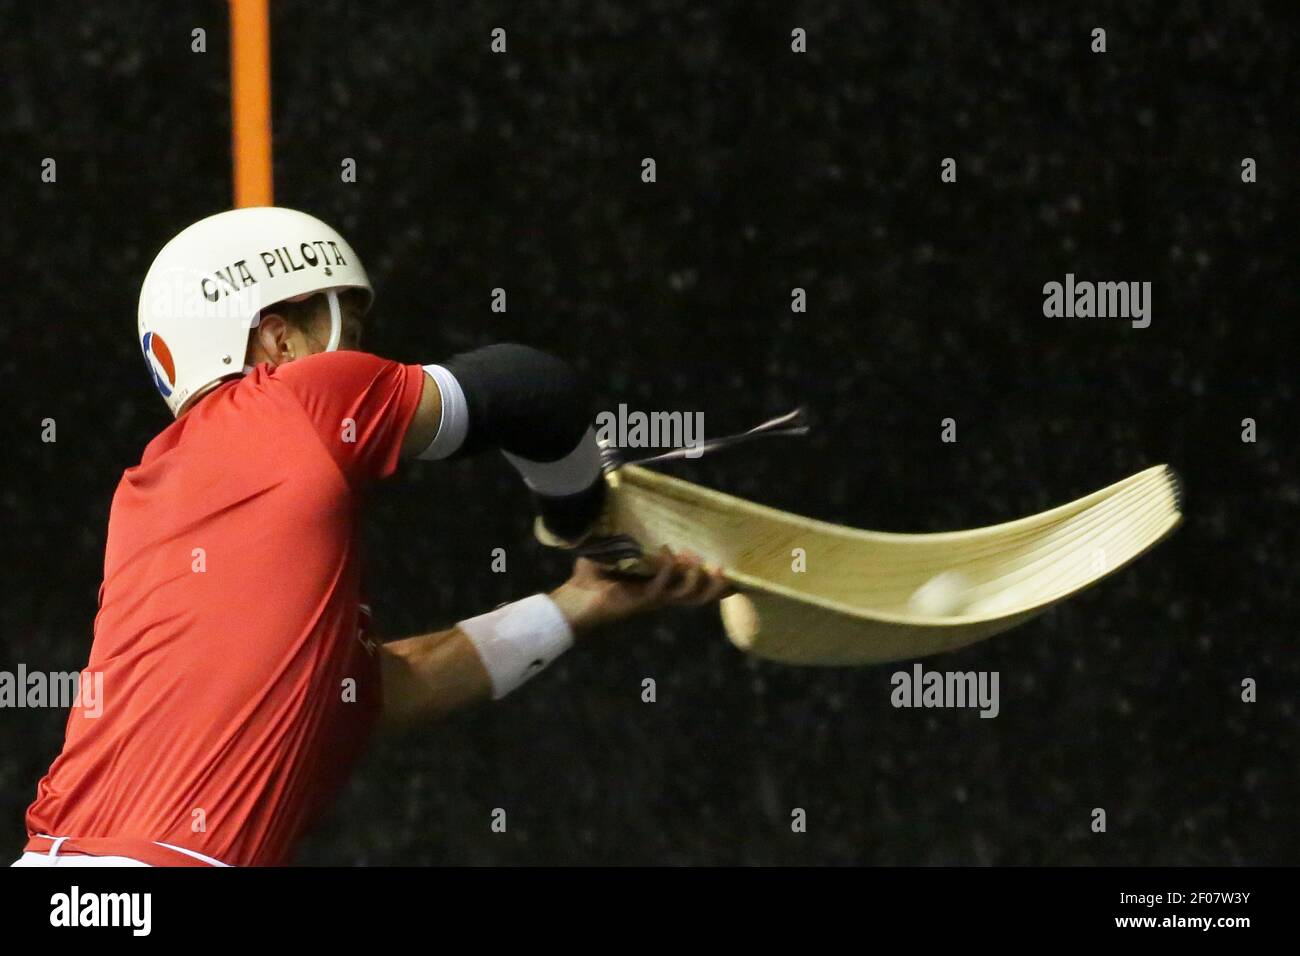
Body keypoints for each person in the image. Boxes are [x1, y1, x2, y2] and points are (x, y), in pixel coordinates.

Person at [14, 207, 726, 867]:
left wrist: (580, 602)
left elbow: (382, 691)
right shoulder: (295, 401)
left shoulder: (162, 504)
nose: (363, 359)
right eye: (346, 335)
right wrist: (587, 522)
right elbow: (533, 389)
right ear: (275, 335)